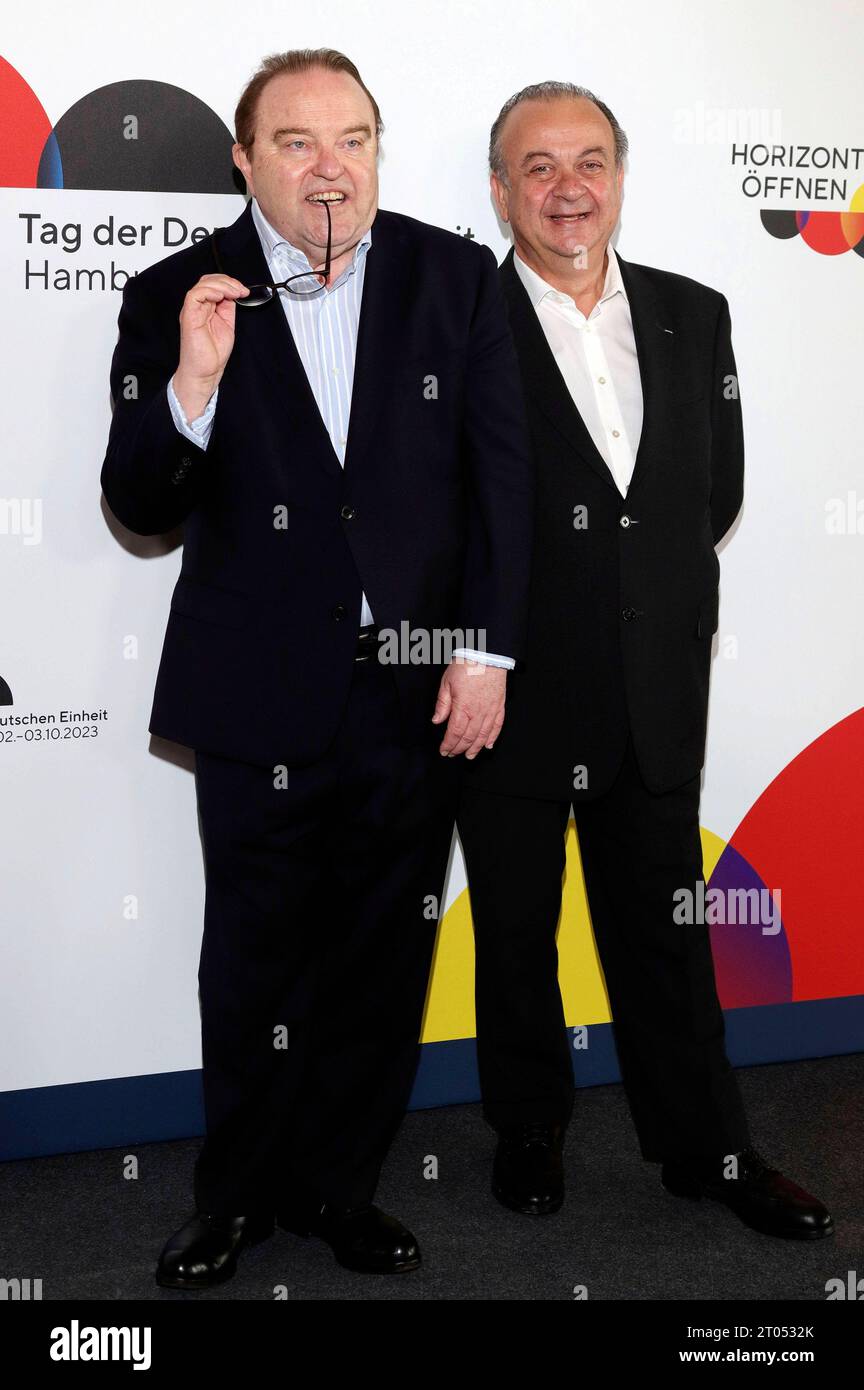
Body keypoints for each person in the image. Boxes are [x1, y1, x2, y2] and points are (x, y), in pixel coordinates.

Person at [101, 48, 533, 1288]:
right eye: (297, 141)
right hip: (254, 697)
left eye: (353, 138)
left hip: (413, 689)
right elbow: (137, 500)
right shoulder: (176, 290)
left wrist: (488, 652)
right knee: (250, 963)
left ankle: (342, 1190)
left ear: (377, 153)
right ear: (245, 159)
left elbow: (502, 483)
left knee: (381, 958)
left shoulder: (451, 276)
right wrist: (191, 382)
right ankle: (233, 1199)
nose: (329, 165)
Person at [457, 81, 832, 1240]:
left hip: (657, 686)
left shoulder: (693, 311)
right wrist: (477, 648)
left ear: (618, 175)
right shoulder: (461, 321)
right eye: (537, 166)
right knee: (516, 932)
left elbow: (705, 493)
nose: (567, 188)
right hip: (509, 688)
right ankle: (530, 1130)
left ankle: (706, 1148)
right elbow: (448, 509)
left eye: (590, 161)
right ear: (500, 188)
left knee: (667, 936)